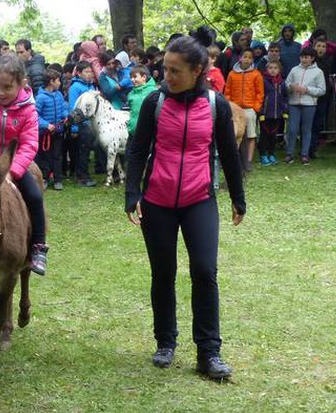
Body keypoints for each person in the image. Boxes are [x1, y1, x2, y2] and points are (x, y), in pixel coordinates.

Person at [125, 35, 246, 381]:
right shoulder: (154, 103)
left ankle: (209, 352)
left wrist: (238, 197)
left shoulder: (215, 104)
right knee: (163, 273)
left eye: (175, 70)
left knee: (205, 272)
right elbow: (137, 150)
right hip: (158, 201)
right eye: (165, 68)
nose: (167, 76)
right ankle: (165, 341)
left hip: (199, 200)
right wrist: (132, 193)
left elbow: (228, 153)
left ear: (198, 70)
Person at [0, 54, 49, 275]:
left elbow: (29, 143)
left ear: (21, 84)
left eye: (7, 87)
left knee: (34, 197)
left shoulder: (28, 109)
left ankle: (39, 246)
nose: (1, 92)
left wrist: (11, 171)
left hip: (15, 169)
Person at [284, 48, 326, 165]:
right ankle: (289, 153)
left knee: (306, 129)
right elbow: (287, 84)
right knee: (292, 129)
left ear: (312, 58)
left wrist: (307, 90)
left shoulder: (318, 72)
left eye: (306, 57)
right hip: (294, 103)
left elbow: (322, 90)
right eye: (302, 57)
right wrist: (291, 87)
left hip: (309, 104)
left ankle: (304, 154)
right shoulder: (294, 70)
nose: (304, 59)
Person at [224, 48, 264, 170]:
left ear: (252, 59)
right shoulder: (232, 74)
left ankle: (248, 161)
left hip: (249, 109)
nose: (247, 59)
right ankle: (234, 159)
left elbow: (260, 93)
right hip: (235, 109)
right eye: (244, 56)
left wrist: (255, 108)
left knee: (251, 135)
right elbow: (227, 91)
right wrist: (230, 106)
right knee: (235, 134)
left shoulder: (256, 74)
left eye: (249, 57)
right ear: (240, 58)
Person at [35, 69, 69, 190]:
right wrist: (46, 125)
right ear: (51, 82)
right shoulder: (40, 98)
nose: (60, 82)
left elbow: (63, 108)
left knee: (57, 155)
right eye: (58, 80)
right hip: (45, 134)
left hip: (57, 131)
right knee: (45, 157)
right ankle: (44, 178)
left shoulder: (59, 95)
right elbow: (35, 115)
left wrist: (65, 116)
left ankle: (57, 179)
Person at [67, 61, 98, 187]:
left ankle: (83, 174)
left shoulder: (91, 86)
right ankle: (82, 177)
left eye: (90, 71)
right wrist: (74, 128)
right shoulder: (75, 88)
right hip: (81, 124)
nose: (89, 74)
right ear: (79, 73)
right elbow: (73, 108)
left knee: (86, 151)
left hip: (91, 123)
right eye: (86, 72)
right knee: (82, 151)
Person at [259, 60, 288, 166]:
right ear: (266, 69)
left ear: (279, 70)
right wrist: (261, 112)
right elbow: (261, 97)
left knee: (273, 136)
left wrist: (285, 110)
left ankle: (271, 154)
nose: (272, 70)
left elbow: (285, 97)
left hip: (278, 114)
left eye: (275, 68)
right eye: (270, 68)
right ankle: (263, 155)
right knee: (264, 135)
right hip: (265, 114)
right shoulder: (263, 81)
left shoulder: (282, 83)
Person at [126, 65, 157, 139]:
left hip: (148, 135)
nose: (132, 80)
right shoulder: (131, 94)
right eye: (131, 77)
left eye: (135, 77)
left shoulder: (153, 92)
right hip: (133, 133)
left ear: (144, 77)